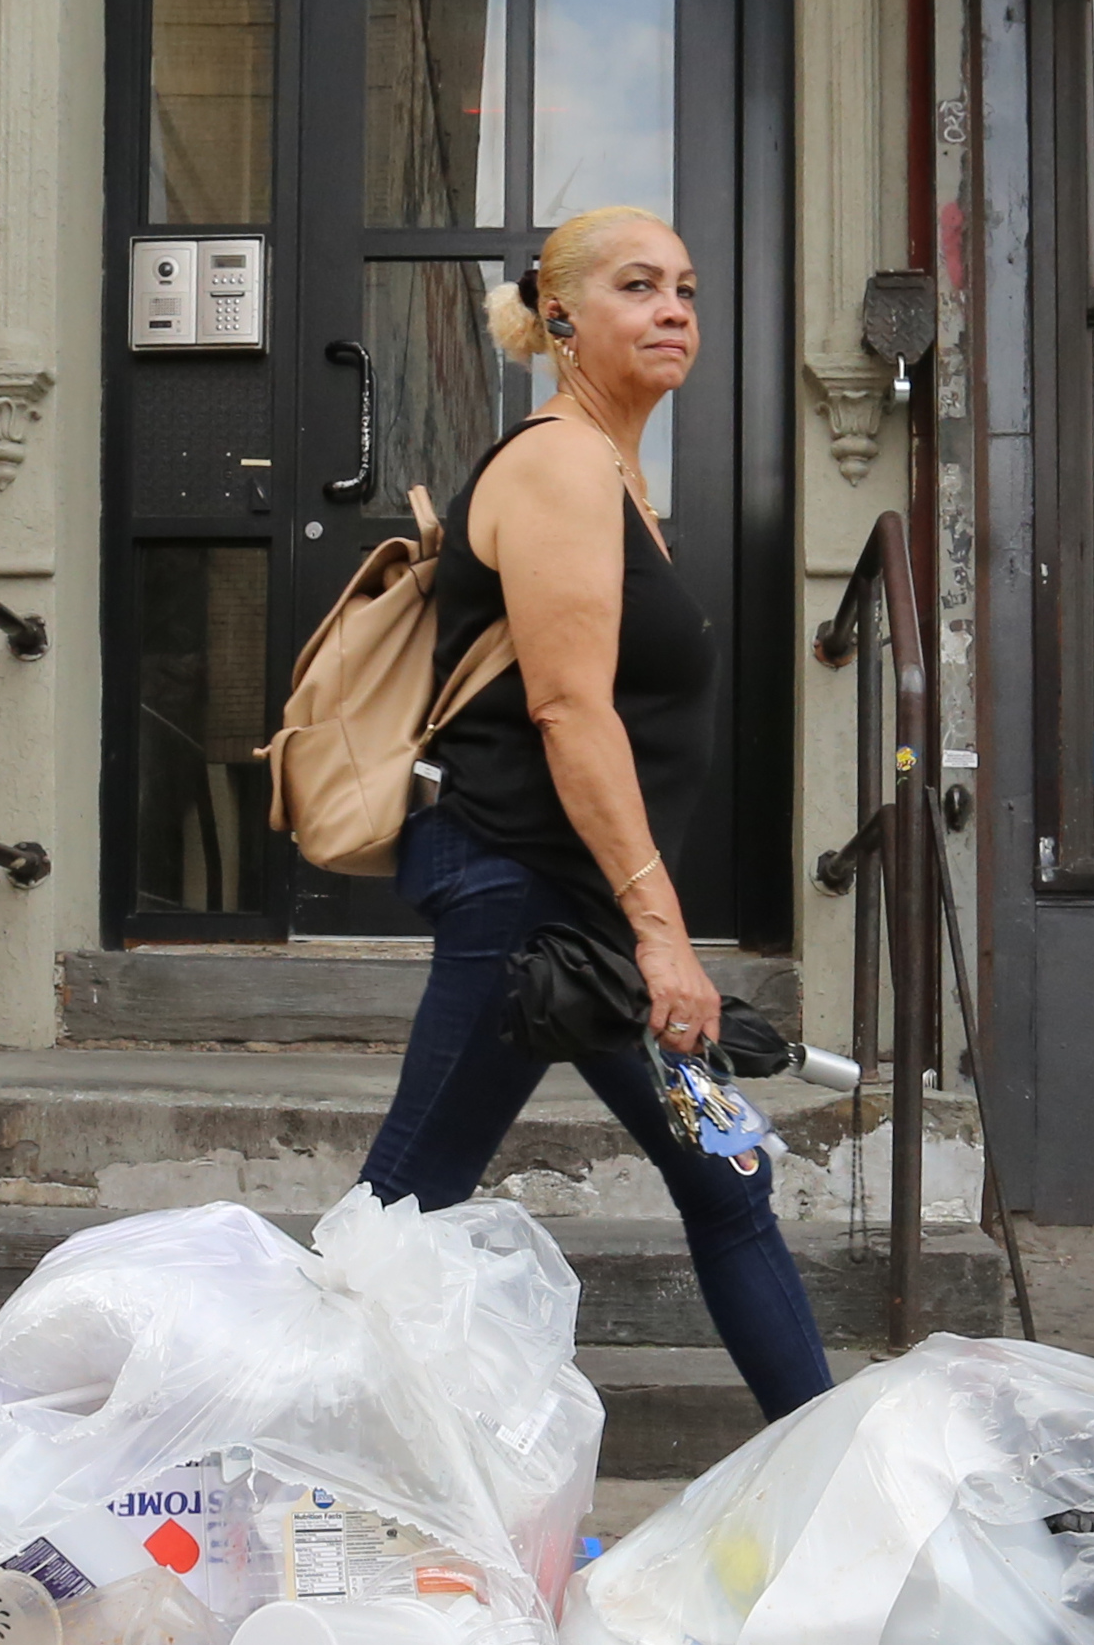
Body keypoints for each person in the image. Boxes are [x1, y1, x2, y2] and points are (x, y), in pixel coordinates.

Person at [354, 203, 835, 1417]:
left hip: (572, 909)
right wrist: (659, 929)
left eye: (683, 287)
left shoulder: (612, 472)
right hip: (524, 901)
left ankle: (832, 1485)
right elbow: (571, 714)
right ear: (560, 313)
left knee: (726, 1190)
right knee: (396, 1221)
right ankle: (245, 1462)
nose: (674, 309)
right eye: (638, 287)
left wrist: (637, 924)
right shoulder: (561, 464)